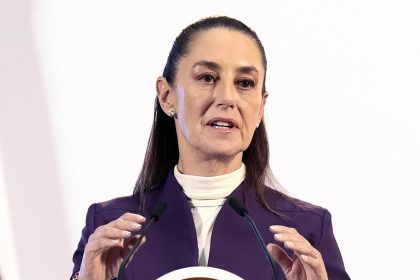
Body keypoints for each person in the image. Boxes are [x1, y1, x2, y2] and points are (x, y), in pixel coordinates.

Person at [70, 16, 350, 280]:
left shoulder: (305, 231)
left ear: (261, 106)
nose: (227, 98)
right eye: (207, 78)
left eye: (245, 83)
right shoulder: (110, 229)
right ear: (167, 96)